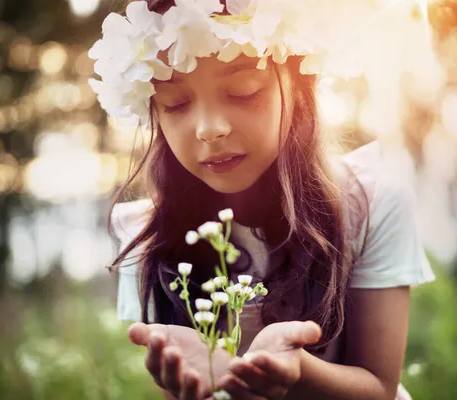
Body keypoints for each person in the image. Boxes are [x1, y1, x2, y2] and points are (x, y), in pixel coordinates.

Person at [91, 0, 436, 399]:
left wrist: (300, 370)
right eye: (175, 104)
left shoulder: (370, 204)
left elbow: (380, 387)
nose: (209, 129)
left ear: (298, 84)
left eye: (243, 91)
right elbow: (188, 382)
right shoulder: (150, 236)